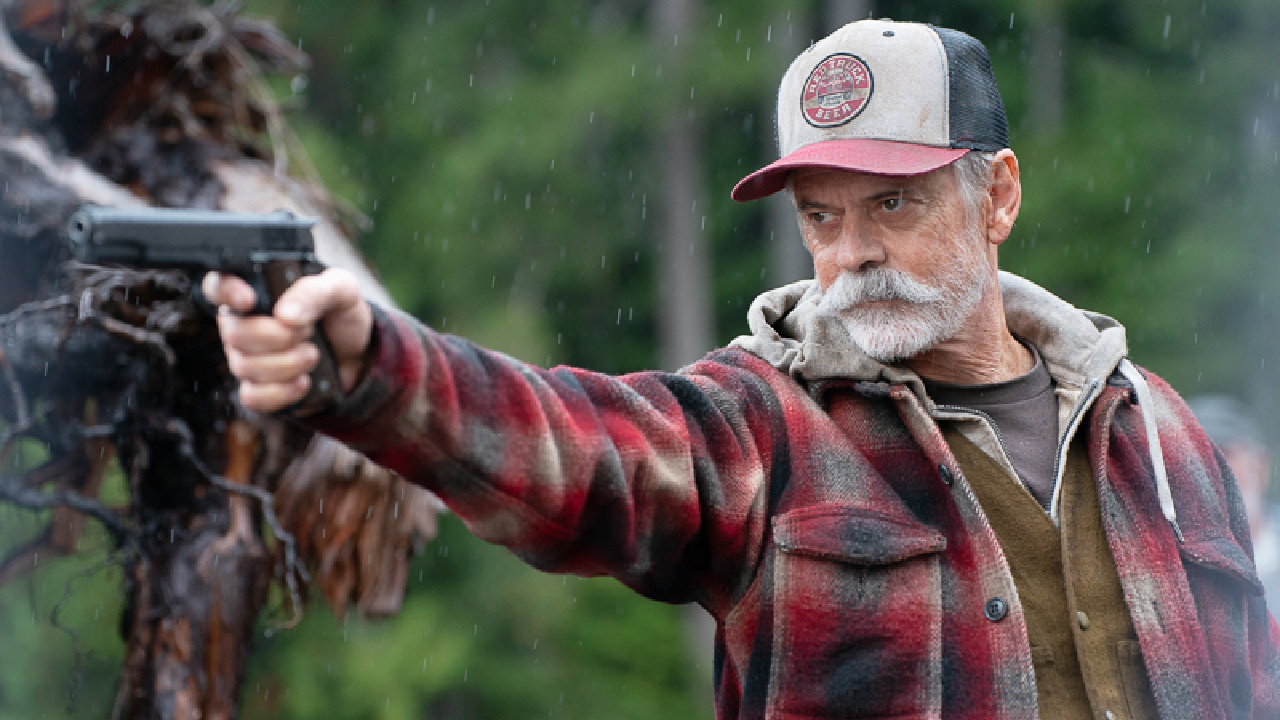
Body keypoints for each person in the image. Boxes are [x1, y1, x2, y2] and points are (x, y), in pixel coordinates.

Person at [205, 19, 1280, 720]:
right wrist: (368, 365)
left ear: (995, 196)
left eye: (891, 204)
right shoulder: (759, 428)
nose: (850, 251)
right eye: (821, 216)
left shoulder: (1161, 432)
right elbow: (566, 448)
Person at [1187, 395, 1280, 601]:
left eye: (1224, 455)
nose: (1211, 470)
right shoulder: (1170, 575)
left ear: (1261, 468)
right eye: (1195, 458)